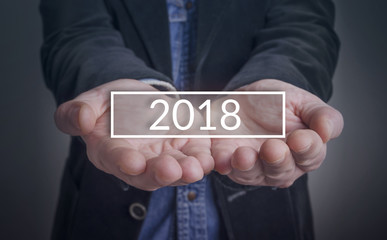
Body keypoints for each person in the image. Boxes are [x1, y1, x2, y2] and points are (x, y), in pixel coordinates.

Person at [40, 0, 344, 239]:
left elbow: (305, 27)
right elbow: (74, 32)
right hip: (107, 207)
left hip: (261, 212)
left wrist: (277, 82)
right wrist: (117, 87)